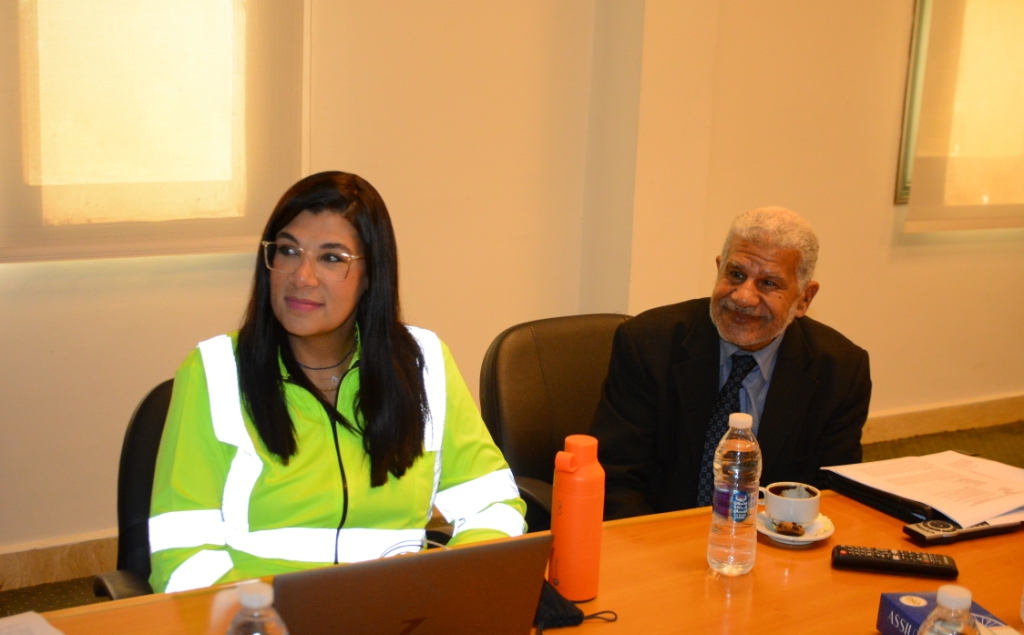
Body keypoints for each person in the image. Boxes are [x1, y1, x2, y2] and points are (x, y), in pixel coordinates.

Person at [149, 171, 525, 593]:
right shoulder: (215, 369)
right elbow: (181, 556)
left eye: (331, 258)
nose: (301, 276)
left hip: (399, 612)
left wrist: (449, 587)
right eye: (288, 251)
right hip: (259, 617)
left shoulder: (423, 363)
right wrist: (271, 617)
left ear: (370, 276)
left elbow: (493, 504)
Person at [590, 206, 871, 520]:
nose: (743, 297)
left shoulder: (841, 370)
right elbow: (614, 478)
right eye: (735, 274)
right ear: (719, 268)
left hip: (775, 538)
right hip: (658, 533)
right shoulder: (647, 343)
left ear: (804, 298)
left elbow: (833, 496)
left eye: (768, 283)